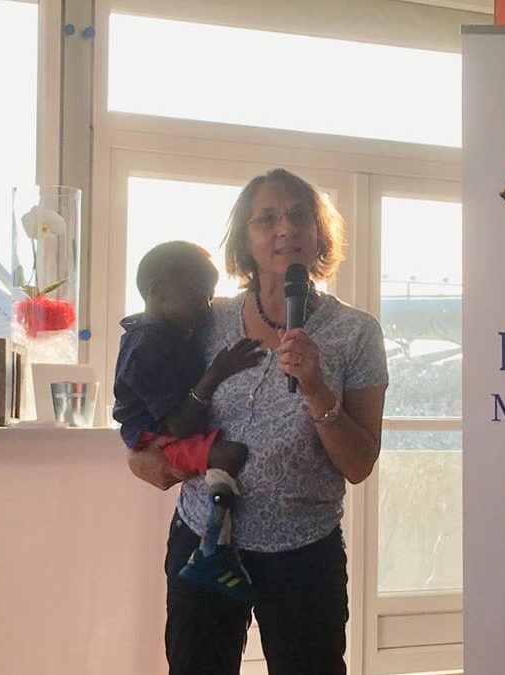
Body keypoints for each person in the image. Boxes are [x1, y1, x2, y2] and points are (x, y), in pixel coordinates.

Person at [127, 168, 388, 675]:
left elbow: (358, 464)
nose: (285, 229)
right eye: (266, 219)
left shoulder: (355, 332)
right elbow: (148, 402)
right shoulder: (204, 319)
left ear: (319, 233)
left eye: (298, 216)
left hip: (302, 551)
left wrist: (315, 386)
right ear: (245, 241)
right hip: (203, 540)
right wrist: (140, 455)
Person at [113, 240, 264, 602]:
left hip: (170, 428)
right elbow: (180, 425)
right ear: (156, 290)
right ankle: (211, 550)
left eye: (210, 294)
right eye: (197, 291)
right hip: (159, 438)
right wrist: (217, 373)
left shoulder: (172, 331)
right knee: (229, 455)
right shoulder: (147, 349)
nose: (206, 305)